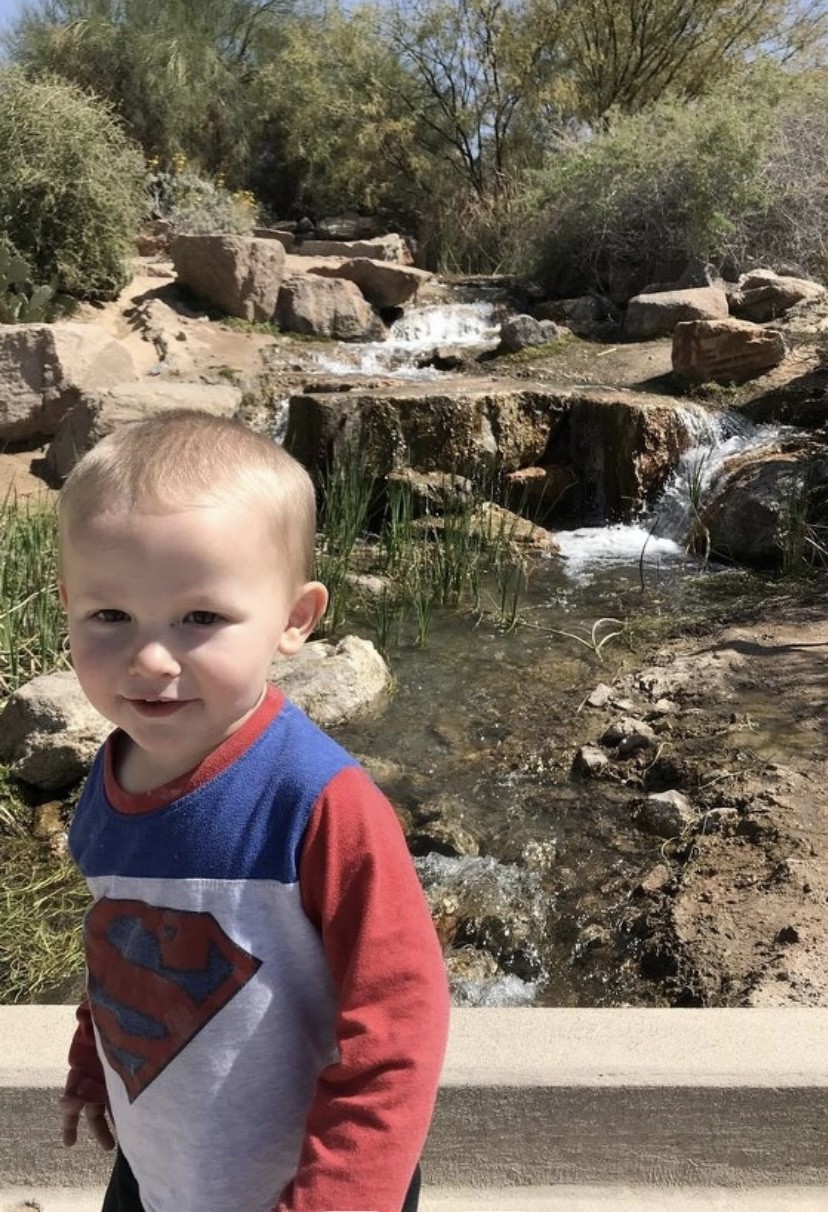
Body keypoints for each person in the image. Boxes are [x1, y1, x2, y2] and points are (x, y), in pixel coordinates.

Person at [56, 409, 451, 1212]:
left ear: (295, 619)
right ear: (67, 604)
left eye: (200, 618)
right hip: (160, 1168)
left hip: (295, 1186)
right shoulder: (113, 770)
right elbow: (123, 939)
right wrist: (94, 1060)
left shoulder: (317, 802)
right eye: (109, 617)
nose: (151, 658)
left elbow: (399, 1028)